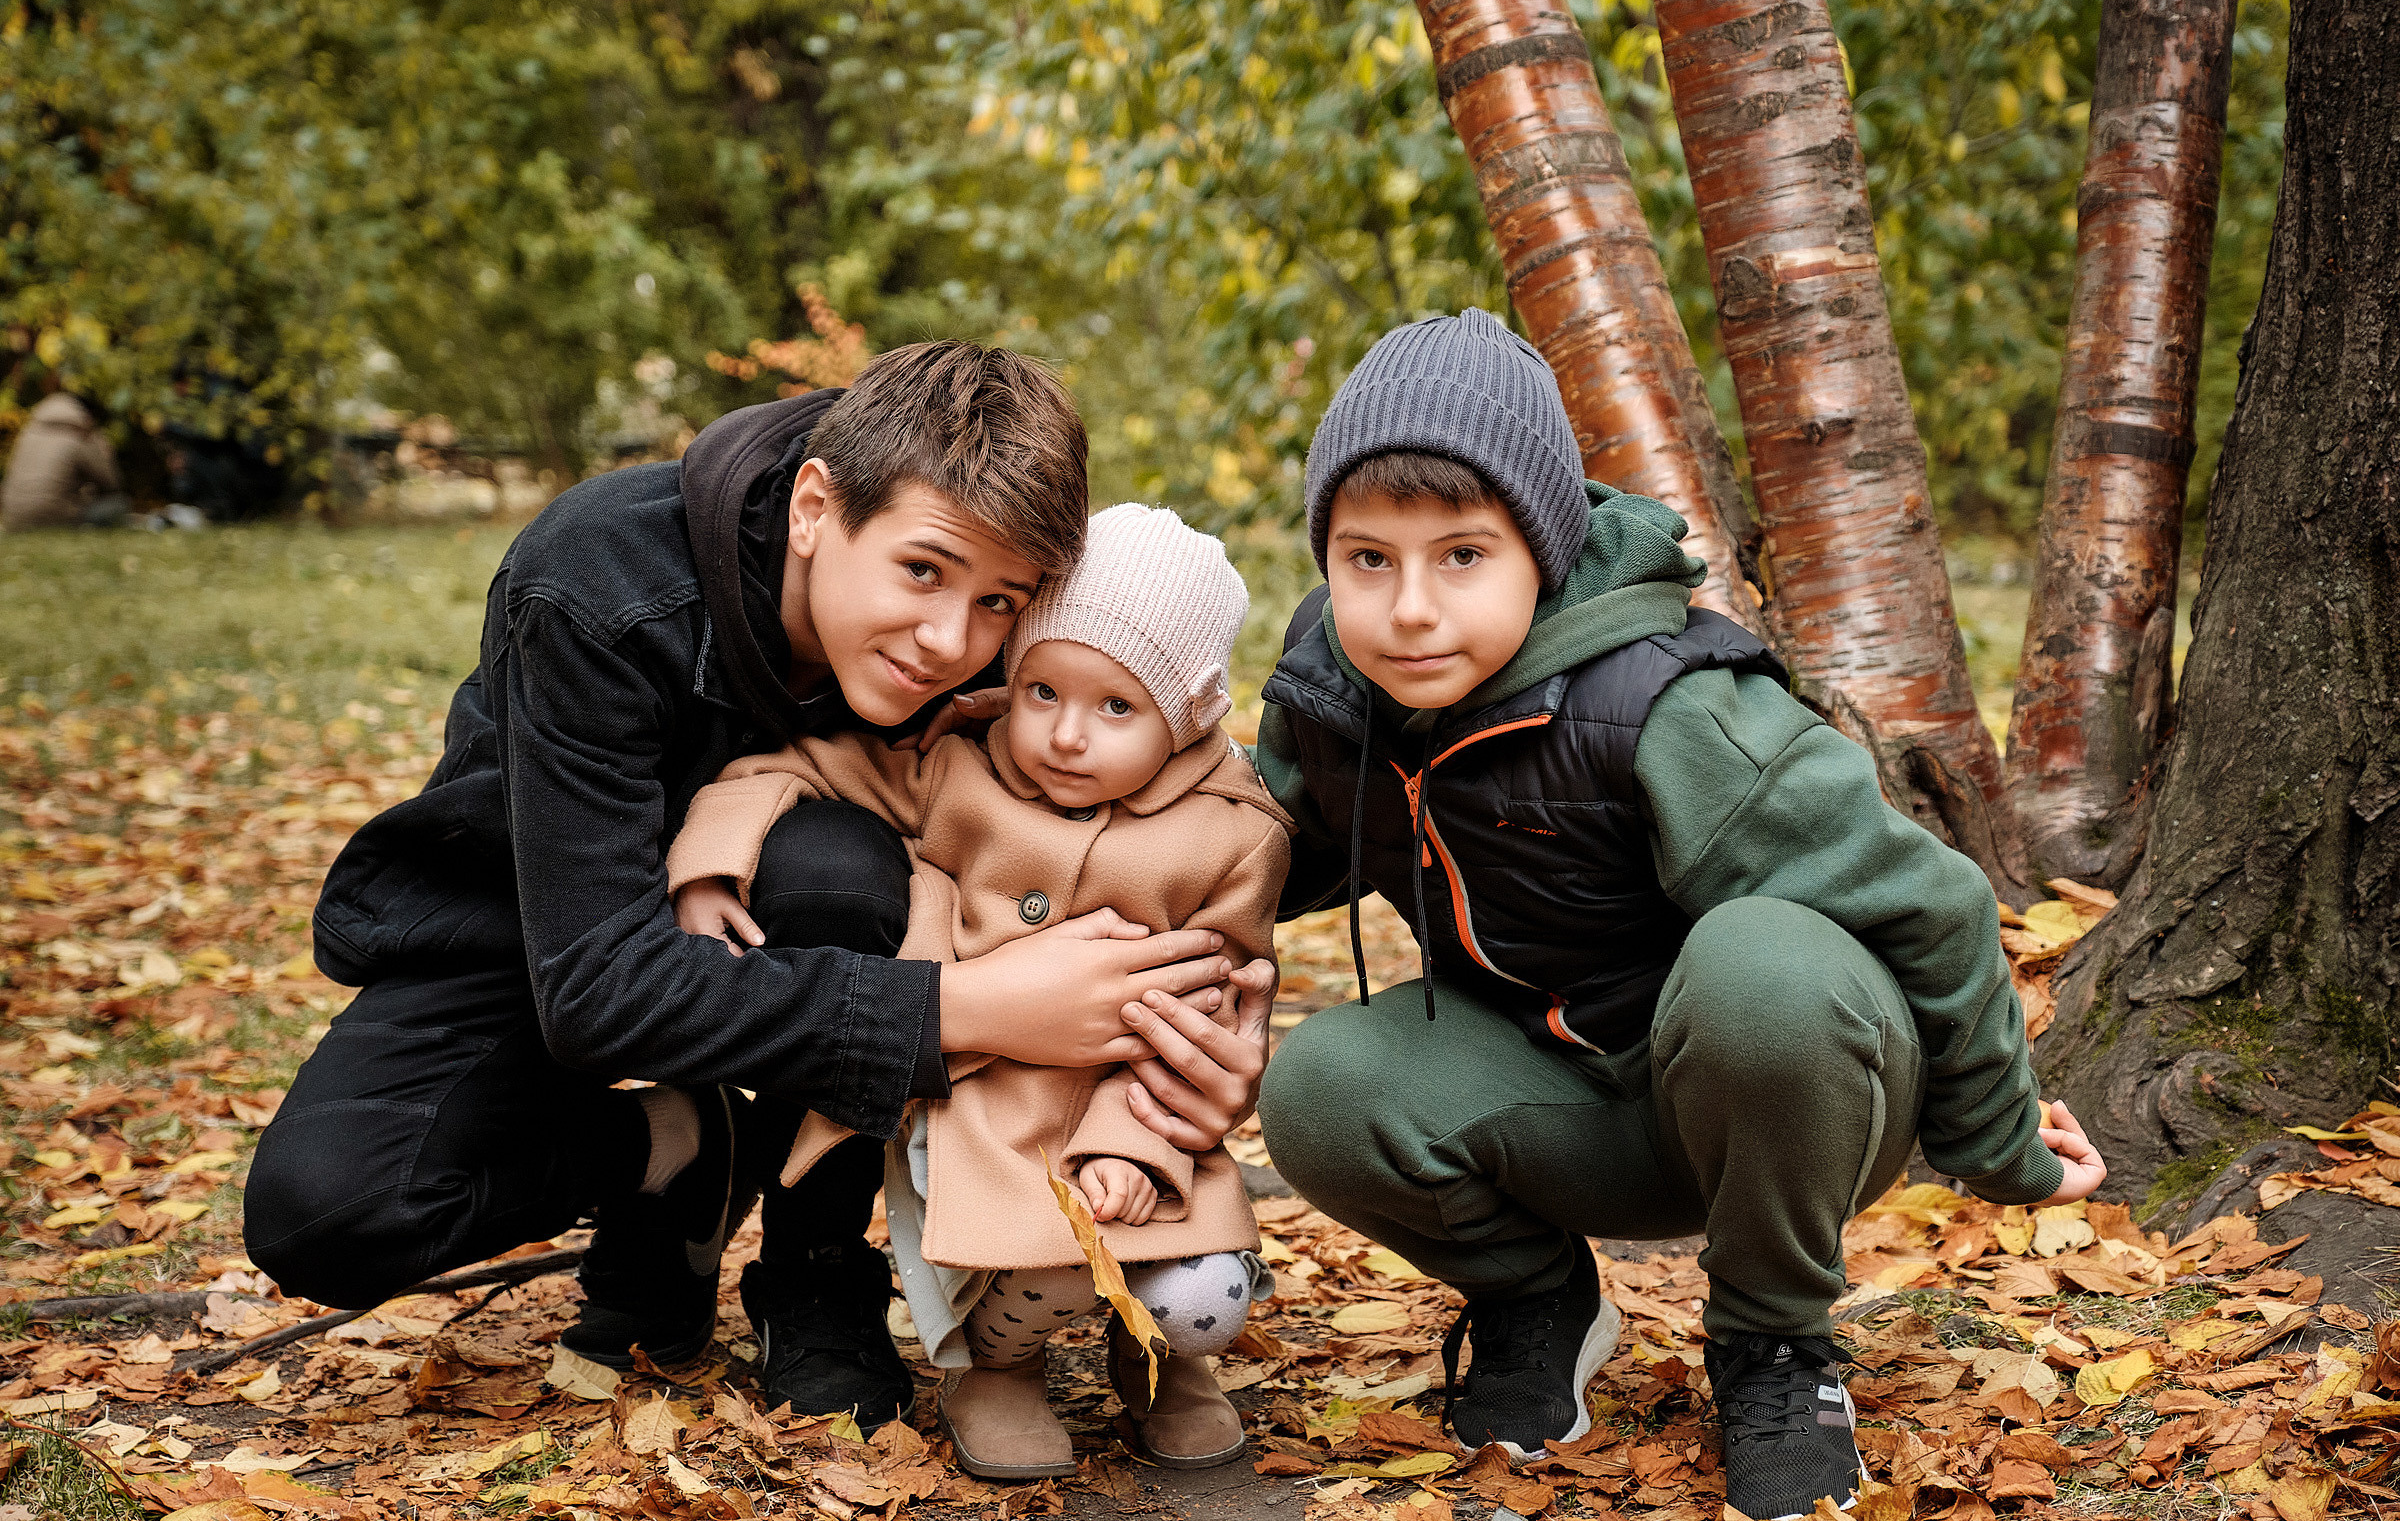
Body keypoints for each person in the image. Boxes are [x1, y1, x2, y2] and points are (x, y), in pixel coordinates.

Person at [244, 343, 1274, 1432]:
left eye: (997, 603)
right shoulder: (598, 586)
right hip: (547, 924)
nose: (950, 642)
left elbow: (1159, 792)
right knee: (331, 1210)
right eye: (922, 572)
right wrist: (972, 1007)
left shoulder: (998, 621)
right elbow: (593, 991)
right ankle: (677, 1151)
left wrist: (1212, 1020)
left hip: (817, 912)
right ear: (816, 508)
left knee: (835, 871)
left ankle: (816, 1268)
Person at [1248, 311, 2108, 1521]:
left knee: (1759, 963)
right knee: (1319, 1084)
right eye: (1368, 559)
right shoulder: (1337, 690)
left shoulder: (1669, 705)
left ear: (1542, 549)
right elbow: (1243, 853)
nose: (1410, 608)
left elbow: (1936, 903)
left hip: (1785, 1096)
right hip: (1564, 1106)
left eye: (1463, 555)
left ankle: (1774, 1345)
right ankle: (1539, 1304)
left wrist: (2000, 1145)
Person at [668, 505, 1287, 1478]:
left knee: (1201, 1295)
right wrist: (712, 862)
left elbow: (1210, 1009)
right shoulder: (959, 765)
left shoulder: (1231, 836)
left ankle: (1161, 1359)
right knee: (1040, 1265)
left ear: (1193, 712)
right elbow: (799, 766)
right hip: (985, 1108)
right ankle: (996, 1370)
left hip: (1140, 1112)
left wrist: (1130, 1143)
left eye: (1116, 708)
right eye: (1041, 690)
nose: (1065, 735)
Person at [3, 390, 126, 531]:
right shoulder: (77, 434)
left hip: (14, 518)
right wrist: (102, 449)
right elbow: (110, 483)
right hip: (52, 519)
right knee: (118, 504)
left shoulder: (29, 433)